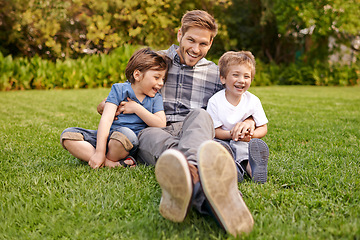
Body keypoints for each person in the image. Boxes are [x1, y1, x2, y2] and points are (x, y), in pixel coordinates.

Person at [98, 10, 256, 237]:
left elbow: (239, 100)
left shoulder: (215, 72)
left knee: (201, 116)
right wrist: (105, 107)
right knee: (154, 138)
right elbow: (124, 92)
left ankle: (188, 175)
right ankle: (208, 186)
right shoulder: (157, 61)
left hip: (195, 130)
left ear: (211, 43)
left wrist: (249, 119)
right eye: (190, 40)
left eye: (203, 43)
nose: (195, 48)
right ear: (180, 34)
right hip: (155, 129)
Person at [60, 48, 170, 169]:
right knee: (68, 135)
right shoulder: (119, 89)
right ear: (137, 75)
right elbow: (106, 120)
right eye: (157, 77)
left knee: (124, 135)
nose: (161, 83)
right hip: (107, 137)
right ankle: (109, 163)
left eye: (163, 79)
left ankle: (103, 160)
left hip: (125, 142)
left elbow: (161, 123)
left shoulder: (156, 98)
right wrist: (99, 152)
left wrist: (137, 108)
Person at [206, 51, 269, 184]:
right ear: (223, 78)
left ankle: (253, 170)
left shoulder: (253, 101)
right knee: (220, 150)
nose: (241, 80)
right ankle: (233, 169)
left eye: (247, 76)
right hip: (222, 139)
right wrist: (231, 134)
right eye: (236, 75)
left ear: (251, 80)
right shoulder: (215, 101)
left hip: (243, 140)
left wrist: (251, 135)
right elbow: (215, 131)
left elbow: (263, 128)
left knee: (243, 148)